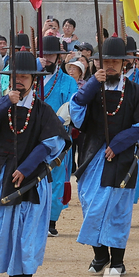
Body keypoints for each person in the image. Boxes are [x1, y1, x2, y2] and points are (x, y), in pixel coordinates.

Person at [0, 50, 69, 277]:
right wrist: (5, 102)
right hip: (0, 176)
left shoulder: (43, 110)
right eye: (15, 76)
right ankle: (13, 275)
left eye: (24, 76)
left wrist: (26, 168)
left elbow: (50, 144)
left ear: (34, 79)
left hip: (31, 179)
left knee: (25, 231)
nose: (19, 81)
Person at [69, 35, 139, 275]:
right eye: (105, 61)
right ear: (97, 63)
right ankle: (100, 256)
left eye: (115, 62)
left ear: (124, 63)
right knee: (91, 205)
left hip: (122, 159)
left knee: (118, 211)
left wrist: (120, 142)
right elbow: (76, 115)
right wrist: (92, 83)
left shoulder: (134, 91)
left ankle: (117, 260)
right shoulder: (91, 88)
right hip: (92, 156)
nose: (110, 66)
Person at [38, 36, 78, 236]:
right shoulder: (32, 78)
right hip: (34, 136)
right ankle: (36, 216)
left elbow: (72, 107)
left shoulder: (68, 82)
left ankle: (51, 220)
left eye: (51, 55)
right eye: (43, 55)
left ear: (59, 58)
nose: (47, 59)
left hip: (58, 137)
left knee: (55, 177)